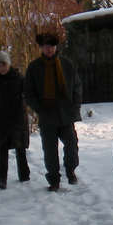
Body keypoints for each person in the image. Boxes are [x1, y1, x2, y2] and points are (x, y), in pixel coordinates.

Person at [22, 29, 82, 191]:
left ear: (56, 47)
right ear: (41, 48)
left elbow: (77, 86)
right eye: (46, 46)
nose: (49, 49)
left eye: (52, 46)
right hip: (47, 115)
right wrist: (38, 108)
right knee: (50, 151)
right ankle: (54, 180)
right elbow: (28, 92)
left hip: (65, 114)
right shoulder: (34, 68)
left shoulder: (66, 64)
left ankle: (70, 171)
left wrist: (75, 106)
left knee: (72, 145)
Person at [0, 49, 30, 189]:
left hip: (17, 119)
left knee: (20, 147)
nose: (1, 67)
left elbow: (29, 94)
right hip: (1, 121)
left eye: (4, 64)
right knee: (2, 149)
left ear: (8, 64)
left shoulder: (19, 78)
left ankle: (24, 175)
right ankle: (2, 179)